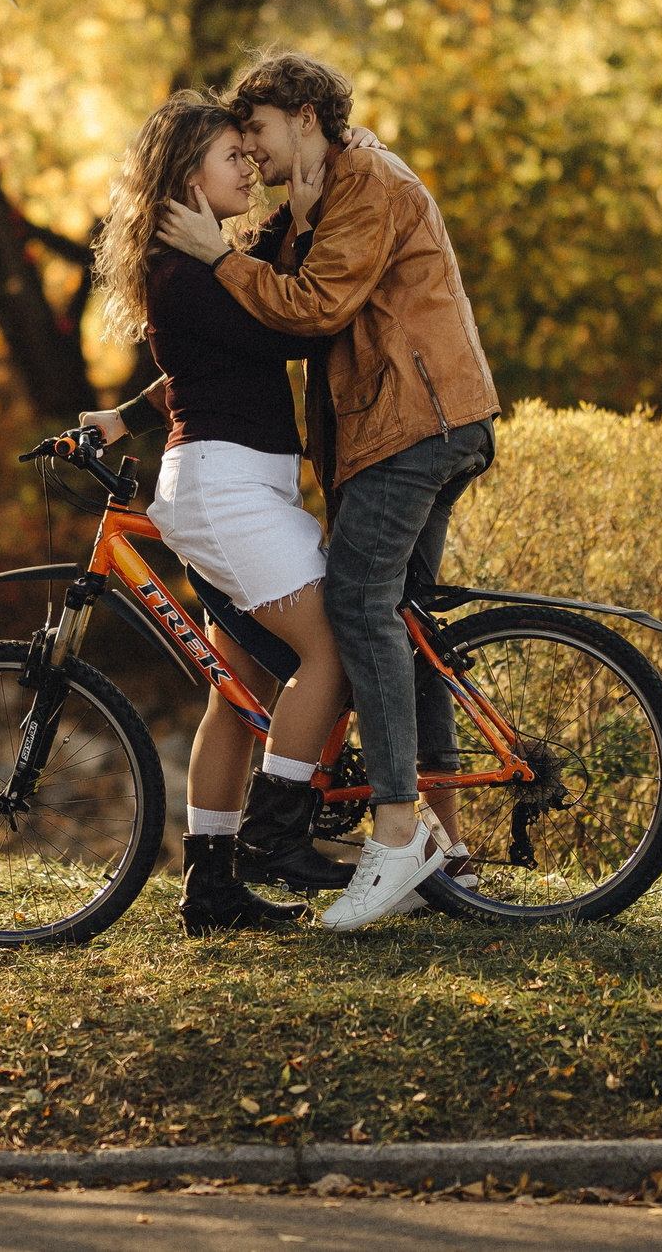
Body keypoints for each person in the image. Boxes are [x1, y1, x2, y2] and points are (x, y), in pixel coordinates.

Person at [153, 50, 499, 932]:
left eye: (256, 132)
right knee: (390, 626)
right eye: (236, 145)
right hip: (383, 433)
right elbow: (224, 341)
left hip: (412, 425)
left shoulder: (360, 185)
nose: (251, 154)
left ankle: (391, 834)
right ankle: (440, 847)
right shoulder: (306, 203)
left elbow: (307, 311)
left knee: (357, 612)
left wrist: (223, 252)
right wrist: (129, 409)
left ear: (305, 117)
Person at [79, 91, 351, 935]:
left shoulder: (197, 267)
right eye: (232, 155)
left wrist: (124, 414)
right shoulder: (186, 269)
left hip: (240, 485)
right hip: (224, 488)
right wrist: (289, 240)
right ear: (187, 176)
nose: (249, 167)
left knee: (239, 690)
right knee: (333, 647)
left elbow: (203, 365)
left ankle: (210, 887)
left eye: (247, 150)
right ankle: (279, 828)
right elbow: (291, 332)